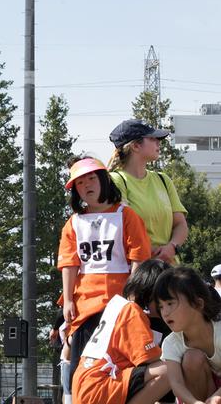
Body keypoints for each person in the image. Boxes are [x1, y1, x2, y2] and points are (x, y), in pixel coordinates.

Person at [58, 155, 151, 397]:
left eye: (91, 178)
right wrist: (68, 301)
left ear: (103, 180)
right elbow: (69, 264)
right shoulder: (73, 223)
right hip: (85, 310)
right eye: (79, 183)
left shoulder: (127, 215)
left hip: (121, 306)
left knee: (125, 367)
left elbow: (138, 260)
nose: (86, 185)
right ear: (75, 191)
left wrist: (133, 300)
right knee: (83, 371)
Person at [70, 259, 172, 404]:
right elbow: (149, 358)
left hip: (87, 384)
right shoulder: (132, 311)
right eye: (166, 299)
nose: (167, 307)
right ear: (152, 293)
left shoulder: (118, 305)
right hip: (99, 386)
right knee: (170, 370)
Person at [108, 119, 188, 264]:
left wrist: (171, 247)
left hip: (169, 272)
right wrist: (147, 252)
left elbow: (181, 224)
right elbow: (119, 230)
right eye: (152, 138)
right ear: (136, 146)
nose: (159, 142)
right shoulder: (115, 180)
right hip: (137, 273)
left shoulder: (163, 180)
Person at [156, 265, 221, 404]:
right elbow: (176, 384)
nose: (165, 312)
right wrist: (195, 402)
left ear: (198, 304)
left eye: (170, 303)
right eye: (161, 306)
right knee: (192, 357)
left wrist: (217, 396)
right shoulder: (170, 343)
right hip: (204, 395)